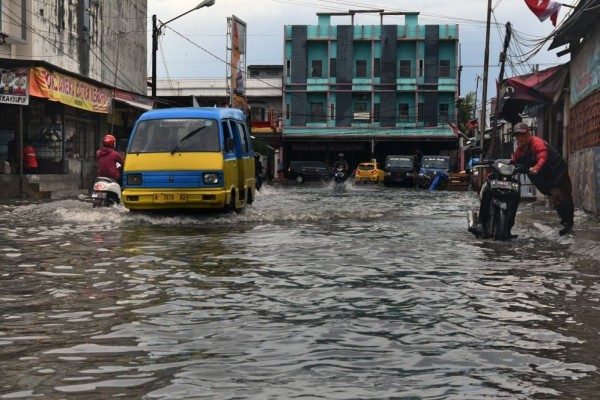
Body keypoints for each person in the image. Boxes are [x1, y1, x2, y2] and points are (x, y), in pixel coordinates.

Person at [511, 122, 574, 235]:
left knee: (565, 197)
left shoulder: (537, 143)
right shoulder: (520, 149)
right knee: (556, 197)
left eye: (522, 135)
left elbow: (542, 156)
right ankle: (565, 224)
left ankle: (568, 224)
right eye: (517, 136)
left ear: (528, 134)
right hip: (545, 177)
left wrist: (536, 167)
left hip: (557, 171)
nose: (520, 138)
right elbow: (514, 161)